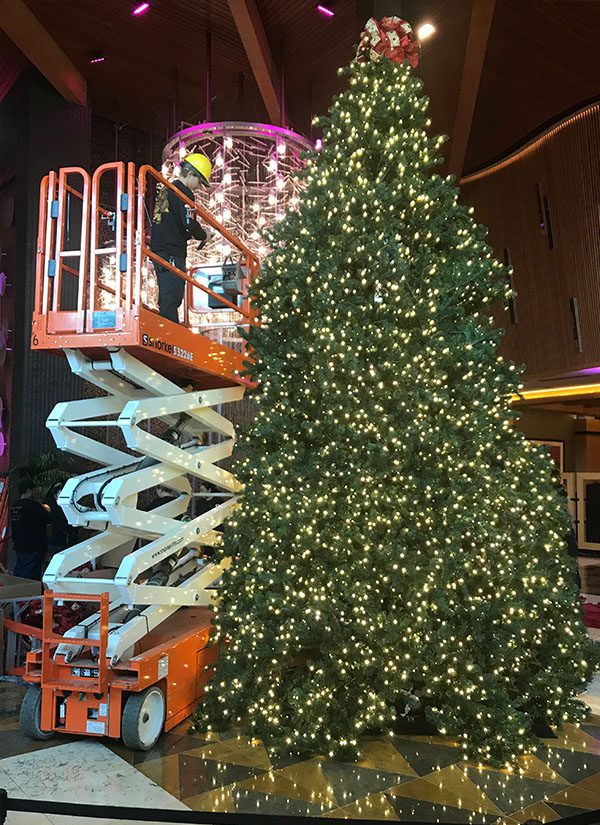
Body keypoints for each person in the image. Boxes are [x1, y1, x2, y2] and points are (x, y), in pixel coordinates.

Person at [150, 154, 212, 324]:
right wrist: (203, 234)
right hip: (172, 251)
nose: (198, 187)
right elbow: (188, 223)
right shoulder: (184, 193)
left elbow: (167, 222)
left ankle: (166, 327)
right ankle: (169, 334)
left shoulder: (166, 189)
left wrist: (189, 234)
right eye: (199, 182)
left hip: (159, 248)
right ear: (191, 174)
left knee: (166, 293)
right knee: (173, 293)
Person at [10, 481, 52, 580]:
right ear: (29, 490)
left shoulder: (14, 506)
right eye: (34, 490)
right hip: (33, 546)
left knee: (20, 571)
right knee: (31, 575)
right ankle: (28, 592)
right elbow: (48, 518)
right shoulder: (32, 505)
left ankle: (18, 589)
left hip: (19, 544)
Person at [45, 483, 78, 559]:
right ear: (55, 496)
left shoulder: (70, 508)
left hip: (63, 541)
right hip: (60, 542)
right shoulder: (55, 507)